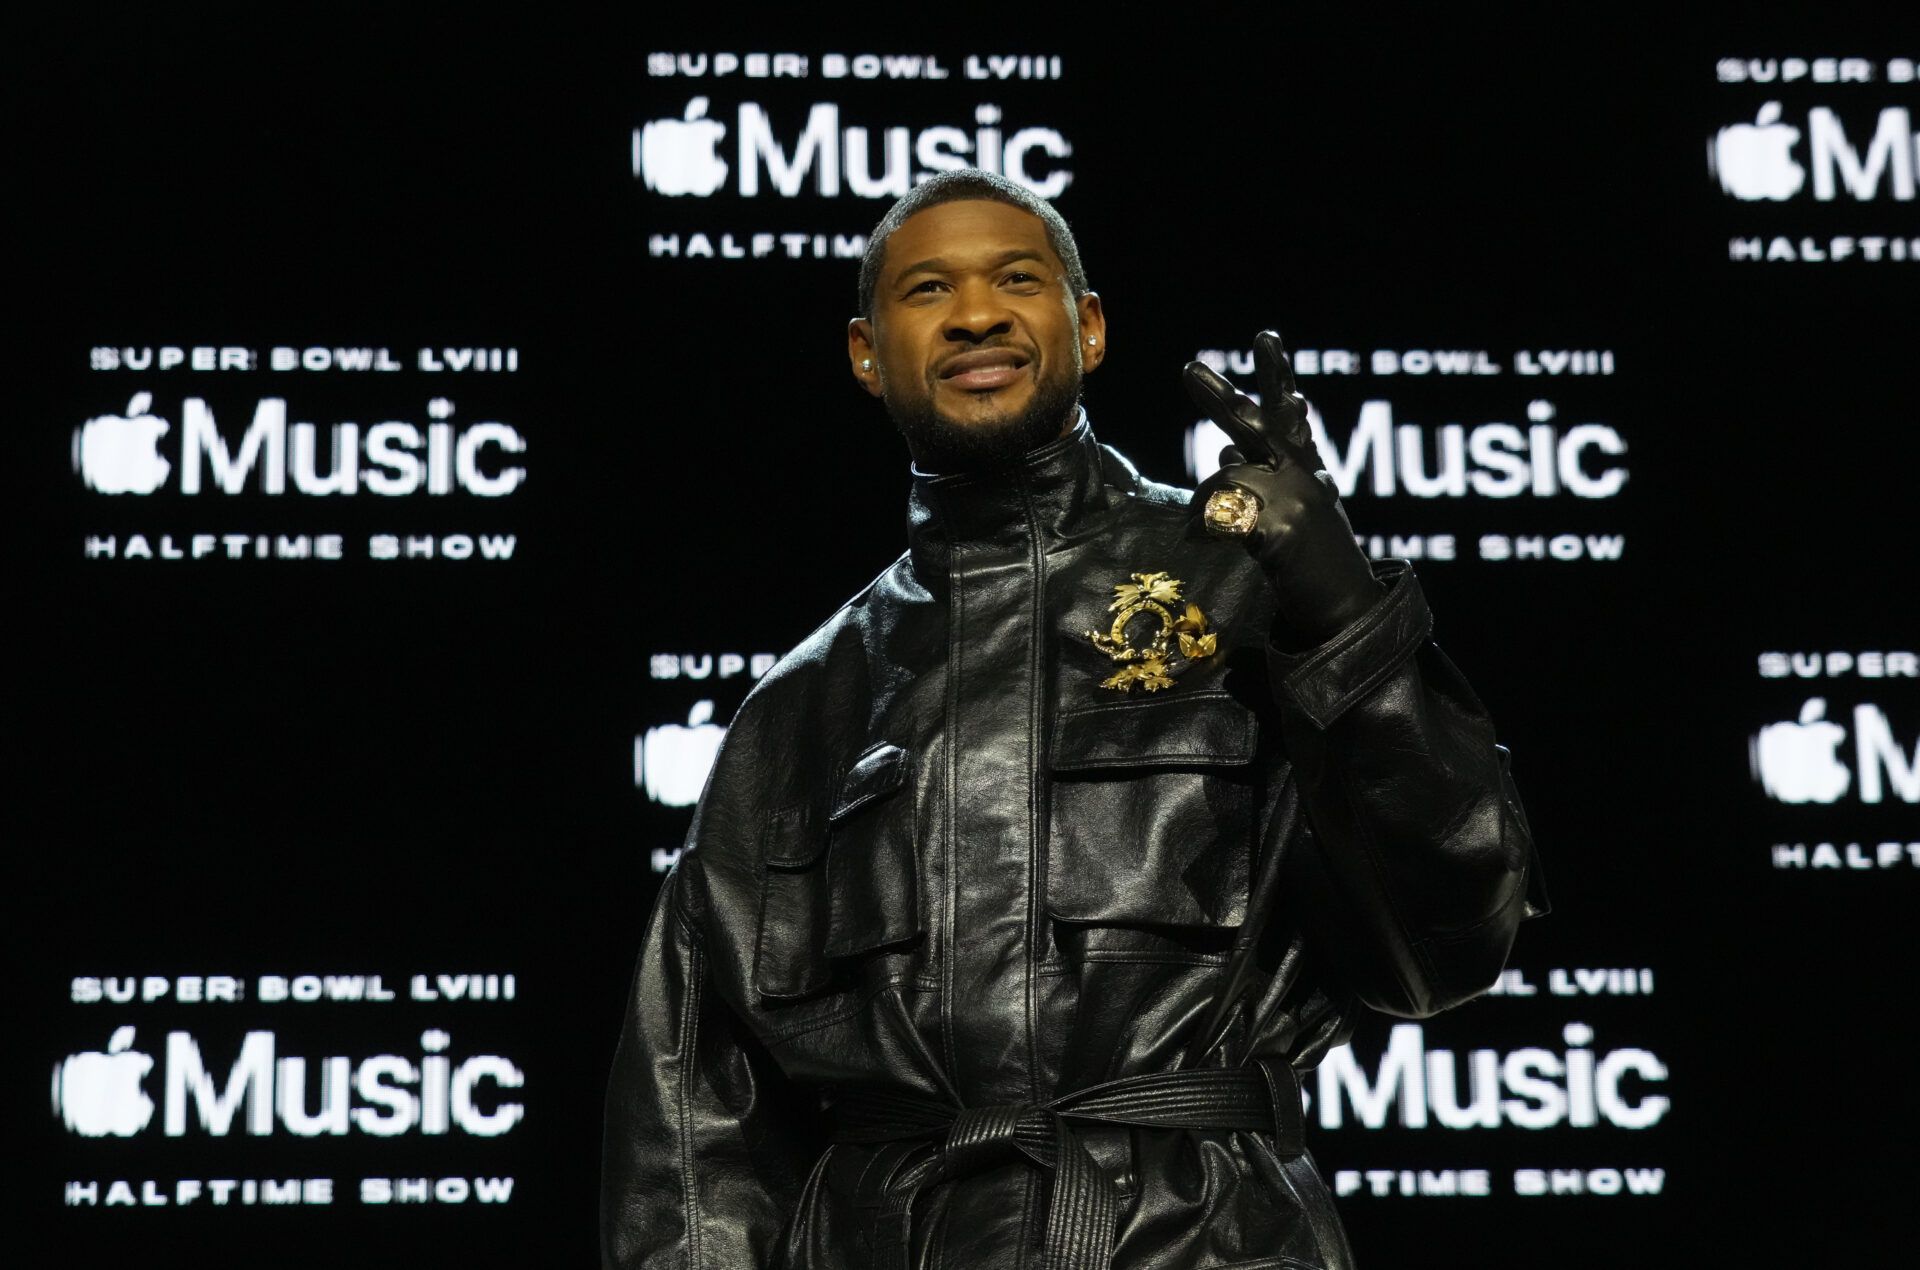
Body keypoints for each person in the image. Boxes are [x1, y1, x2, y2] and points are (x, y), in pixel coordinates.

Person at [601, 169, 1544, 1269]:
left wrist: (1342, 607)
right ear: (867, 353)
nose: (978, 312)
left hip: (1212, 1245)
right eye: (927, 290)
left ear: (1087, 326)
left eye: (1017, 278)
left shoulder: (1245, 590)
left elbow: (1447, 942)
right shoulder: (801, 710)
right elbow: (693, 1126)